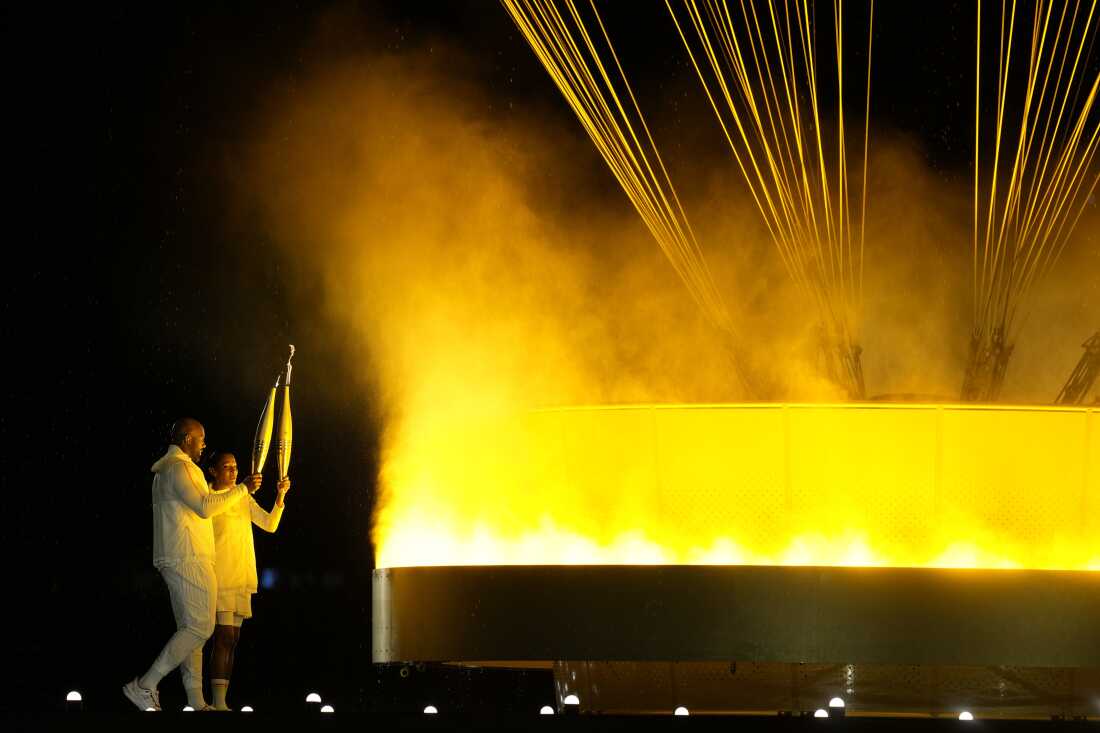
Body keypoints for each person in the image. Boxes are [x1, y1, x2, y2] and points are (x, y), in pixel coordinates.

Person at [123, 418, 261, 712]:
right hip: (188, 557)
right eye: (201, 440)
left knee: (191, 628)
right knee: (200, 627)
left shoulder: (165, 471)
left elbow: (206, 503)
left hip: (177, 556)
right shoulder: (181, 468)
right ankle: (145, 685)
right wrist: (242, 489)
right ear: (187, 439)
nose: (204, 445)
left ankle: (196, 700)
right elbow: (204, 506)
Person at [203, 450, 290, 711]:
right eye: (226, 467)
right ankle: (216, 703)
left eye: (235, 466)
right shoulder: (208, 498)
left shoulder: (243, 498)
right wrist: (242, 488)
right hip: (220, 576)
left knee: (233, 640)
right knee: (224, 637)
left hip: (242, 575)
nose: (233, 471)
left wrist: (280, 495)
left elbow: (269, 524)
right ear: (213, 471)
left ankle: (222, 701)